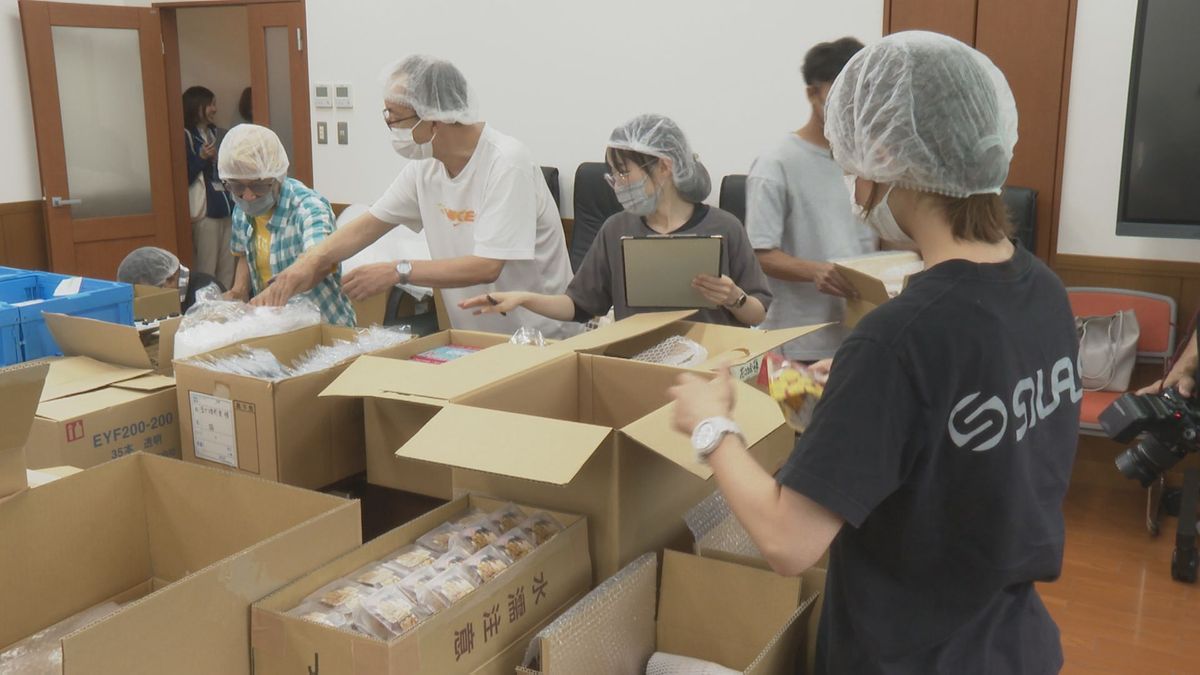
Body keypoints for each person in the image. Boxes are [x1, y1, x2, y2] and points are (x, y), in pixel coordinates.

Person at [668, 32, 1081, 674]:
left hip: (907, 654)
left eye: (853, 162)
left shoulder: (899, 336)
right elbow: (955, 445)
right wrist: (844, 396)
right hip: (1011, 642)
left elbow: (788, 542)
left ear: (888, 155)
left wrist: (711, 426)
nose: (854, 184)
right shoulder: (1046, 291)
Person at [250, 55, 574, 338]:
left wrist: (398, 270)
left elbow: (487, 266)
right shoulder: (426, 168)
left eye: (396, 117)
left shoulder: (506, 162)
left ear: (435, 117)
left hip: (541, 338)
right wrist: (304, 266)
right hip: (478, 340)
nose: (391, 127)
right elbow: (368, 225)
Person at [460, 114, 771, 328]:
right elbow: (579, 307)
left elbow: (757, 313)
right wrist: (524, 298)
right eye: (614, 174)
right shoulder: (616, 230)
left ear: (663, 166)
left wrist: (734, 298)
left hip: (711, 369)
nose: (618, 183)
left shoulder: (724, 227)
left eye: (624, 172)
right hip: (638, 367)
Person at [746, 37, 877, 362]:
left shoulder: (870, 161)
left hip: (864, 332)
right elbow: (759, 253)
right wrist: (816, 271)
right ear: (812, 94)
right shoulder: (777, 163)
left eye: (859, 95)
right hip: (801, 341)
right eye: (840, 95)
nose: (851, 106)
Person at [219, 124, 356, 327]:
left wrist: (280, 289)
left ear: (278, 177)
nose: (248, 196)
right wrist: (238, 290)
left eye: (258, 186)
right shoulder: (242, 209)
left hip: (324, 326)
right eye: (237, 186)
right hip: (274, 326)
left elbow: (322, 261)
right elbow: (245, 255)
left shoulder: (309, 208)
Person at [183, 86, 236, 290]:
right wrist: (201, 158)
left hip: (226, 206)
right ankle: (207, 309)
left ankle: (227, 304)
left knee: (228, 266)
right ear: (197, 106)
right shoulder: (186, 135)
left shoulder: (218, 134)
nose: (215, 109)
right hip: (205, 211)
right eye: (211, 104)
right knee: (207, 267)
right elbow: (183, 177)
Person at [116, 246, 223, 313]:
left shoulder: (205, 293)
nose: (152, 303)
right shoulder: (177, 291)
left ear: (170, 280)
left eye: (152, 292)